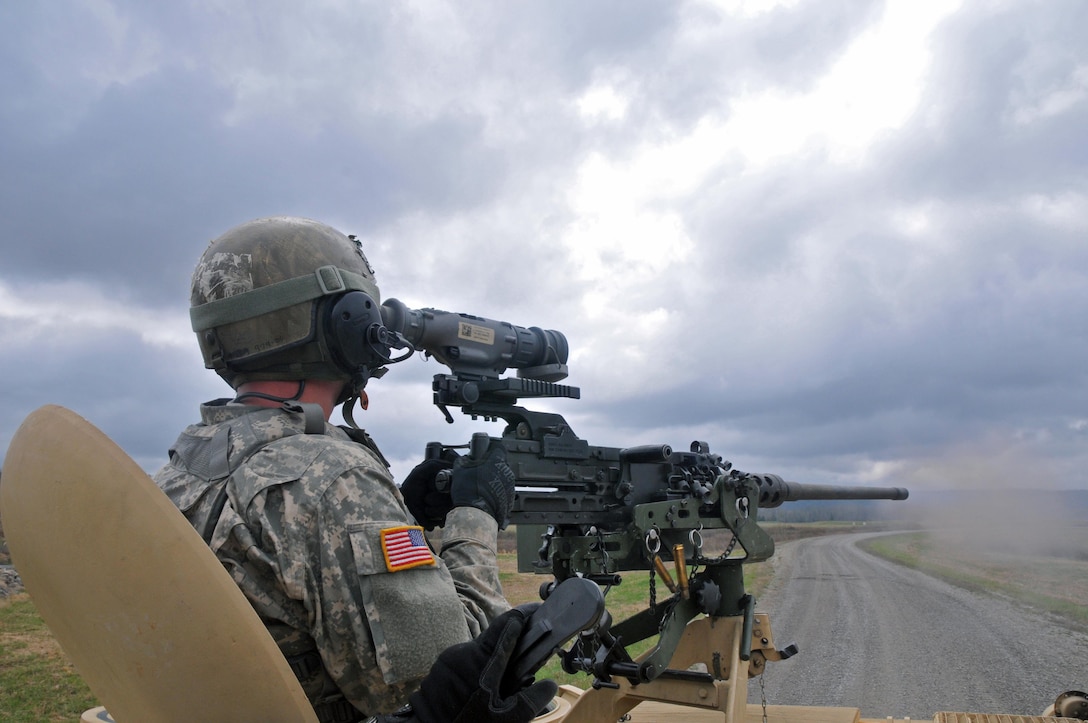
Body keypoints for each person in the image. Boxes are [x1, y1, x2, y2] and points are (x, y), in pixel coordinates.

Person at [154, 216, 555, 722]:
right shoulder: (332, 480)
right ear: (346, 322)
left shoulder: (182, 467)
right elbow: (446, 686)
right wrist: (475, 518)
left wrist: (400, 515)